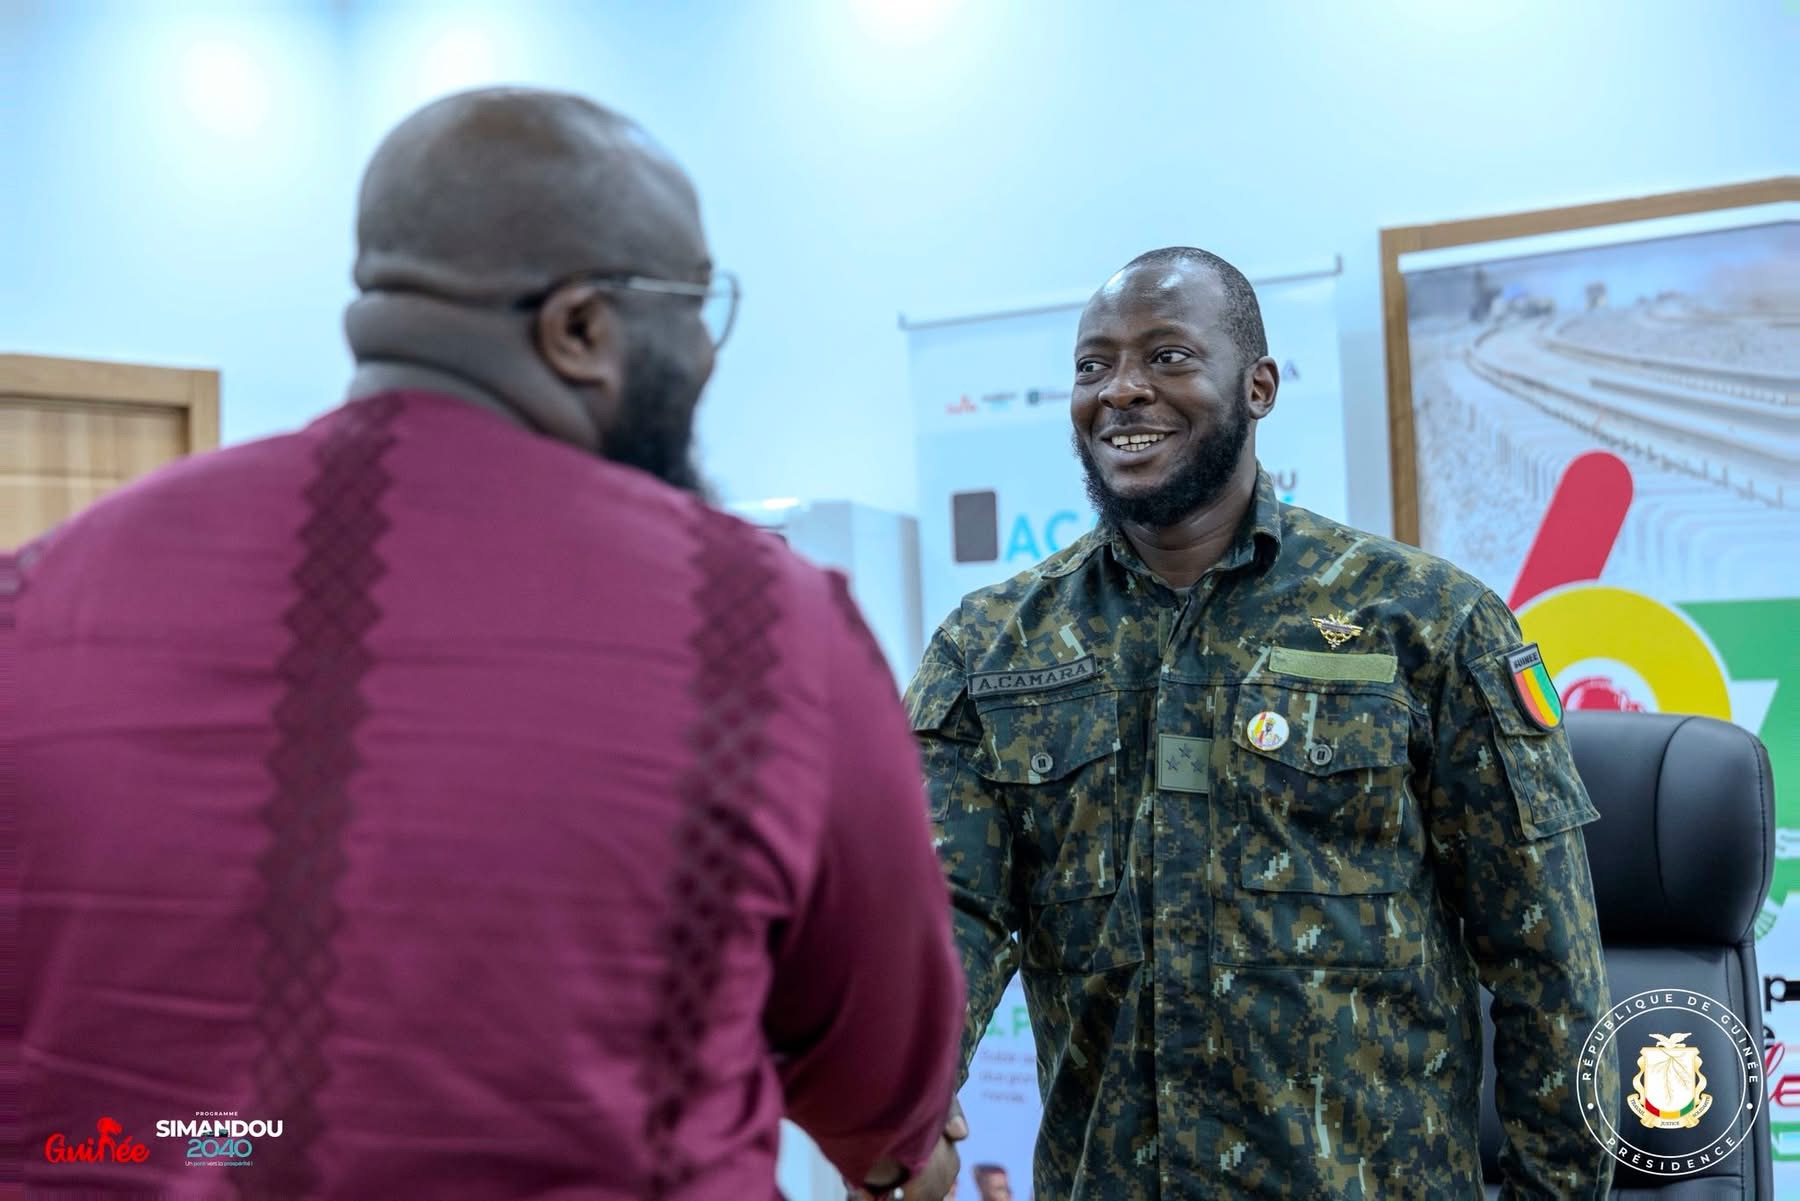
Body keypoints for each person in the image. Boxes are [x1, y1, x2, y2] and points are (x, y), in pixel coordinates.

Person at [13, 87, 965, 1201]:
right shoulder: (764, 627)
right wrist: (900, 1167)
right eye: (697, 306)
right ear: (581, 330)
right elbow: (881, 1084)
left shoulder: (31, 598)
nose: (708, 354)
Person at [905, 247, 1617, 1198]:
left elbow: (1549, 968)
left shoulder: (1427, 623)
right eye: (1092, 365)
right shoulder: (991, 650)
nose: (1121, 390)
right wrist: (901, 1101)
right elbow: (942, 914)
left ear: (1259, 387)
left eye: (1166, 356)